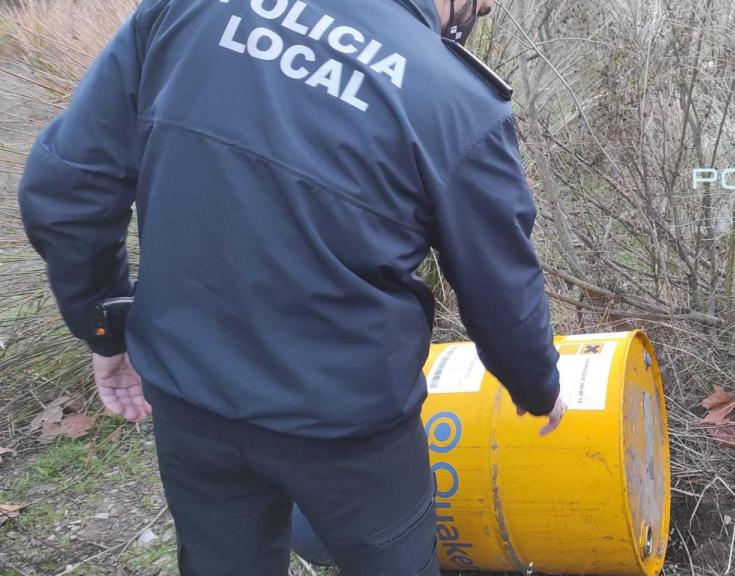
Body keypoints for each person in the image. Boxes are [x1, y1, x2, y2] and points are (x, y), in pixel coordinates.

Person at [17, 0, 568, 573]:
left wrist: (106, 327)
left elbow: (64, 192)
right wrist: (537, 383)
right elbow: (498, 283)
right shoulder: (459, 101)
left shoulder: (188, 9)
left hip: (192, 402)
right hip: (351, 434)